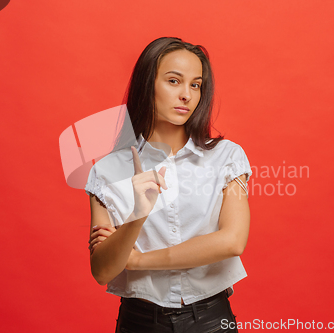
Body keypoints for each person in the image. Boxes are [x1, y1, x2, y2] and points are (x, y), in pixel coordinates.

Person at [85, 37, 252, 333]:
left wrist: (136, 261)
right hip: (139, 323)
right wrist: (137, 215)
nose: (186, 94)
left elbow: (232, 241)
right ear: (147, 84)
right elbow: (102, 271)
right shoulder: (107, 171)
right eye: (174, 81)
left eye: (195, 84)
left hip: (212, 320)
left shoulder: (226, 157)